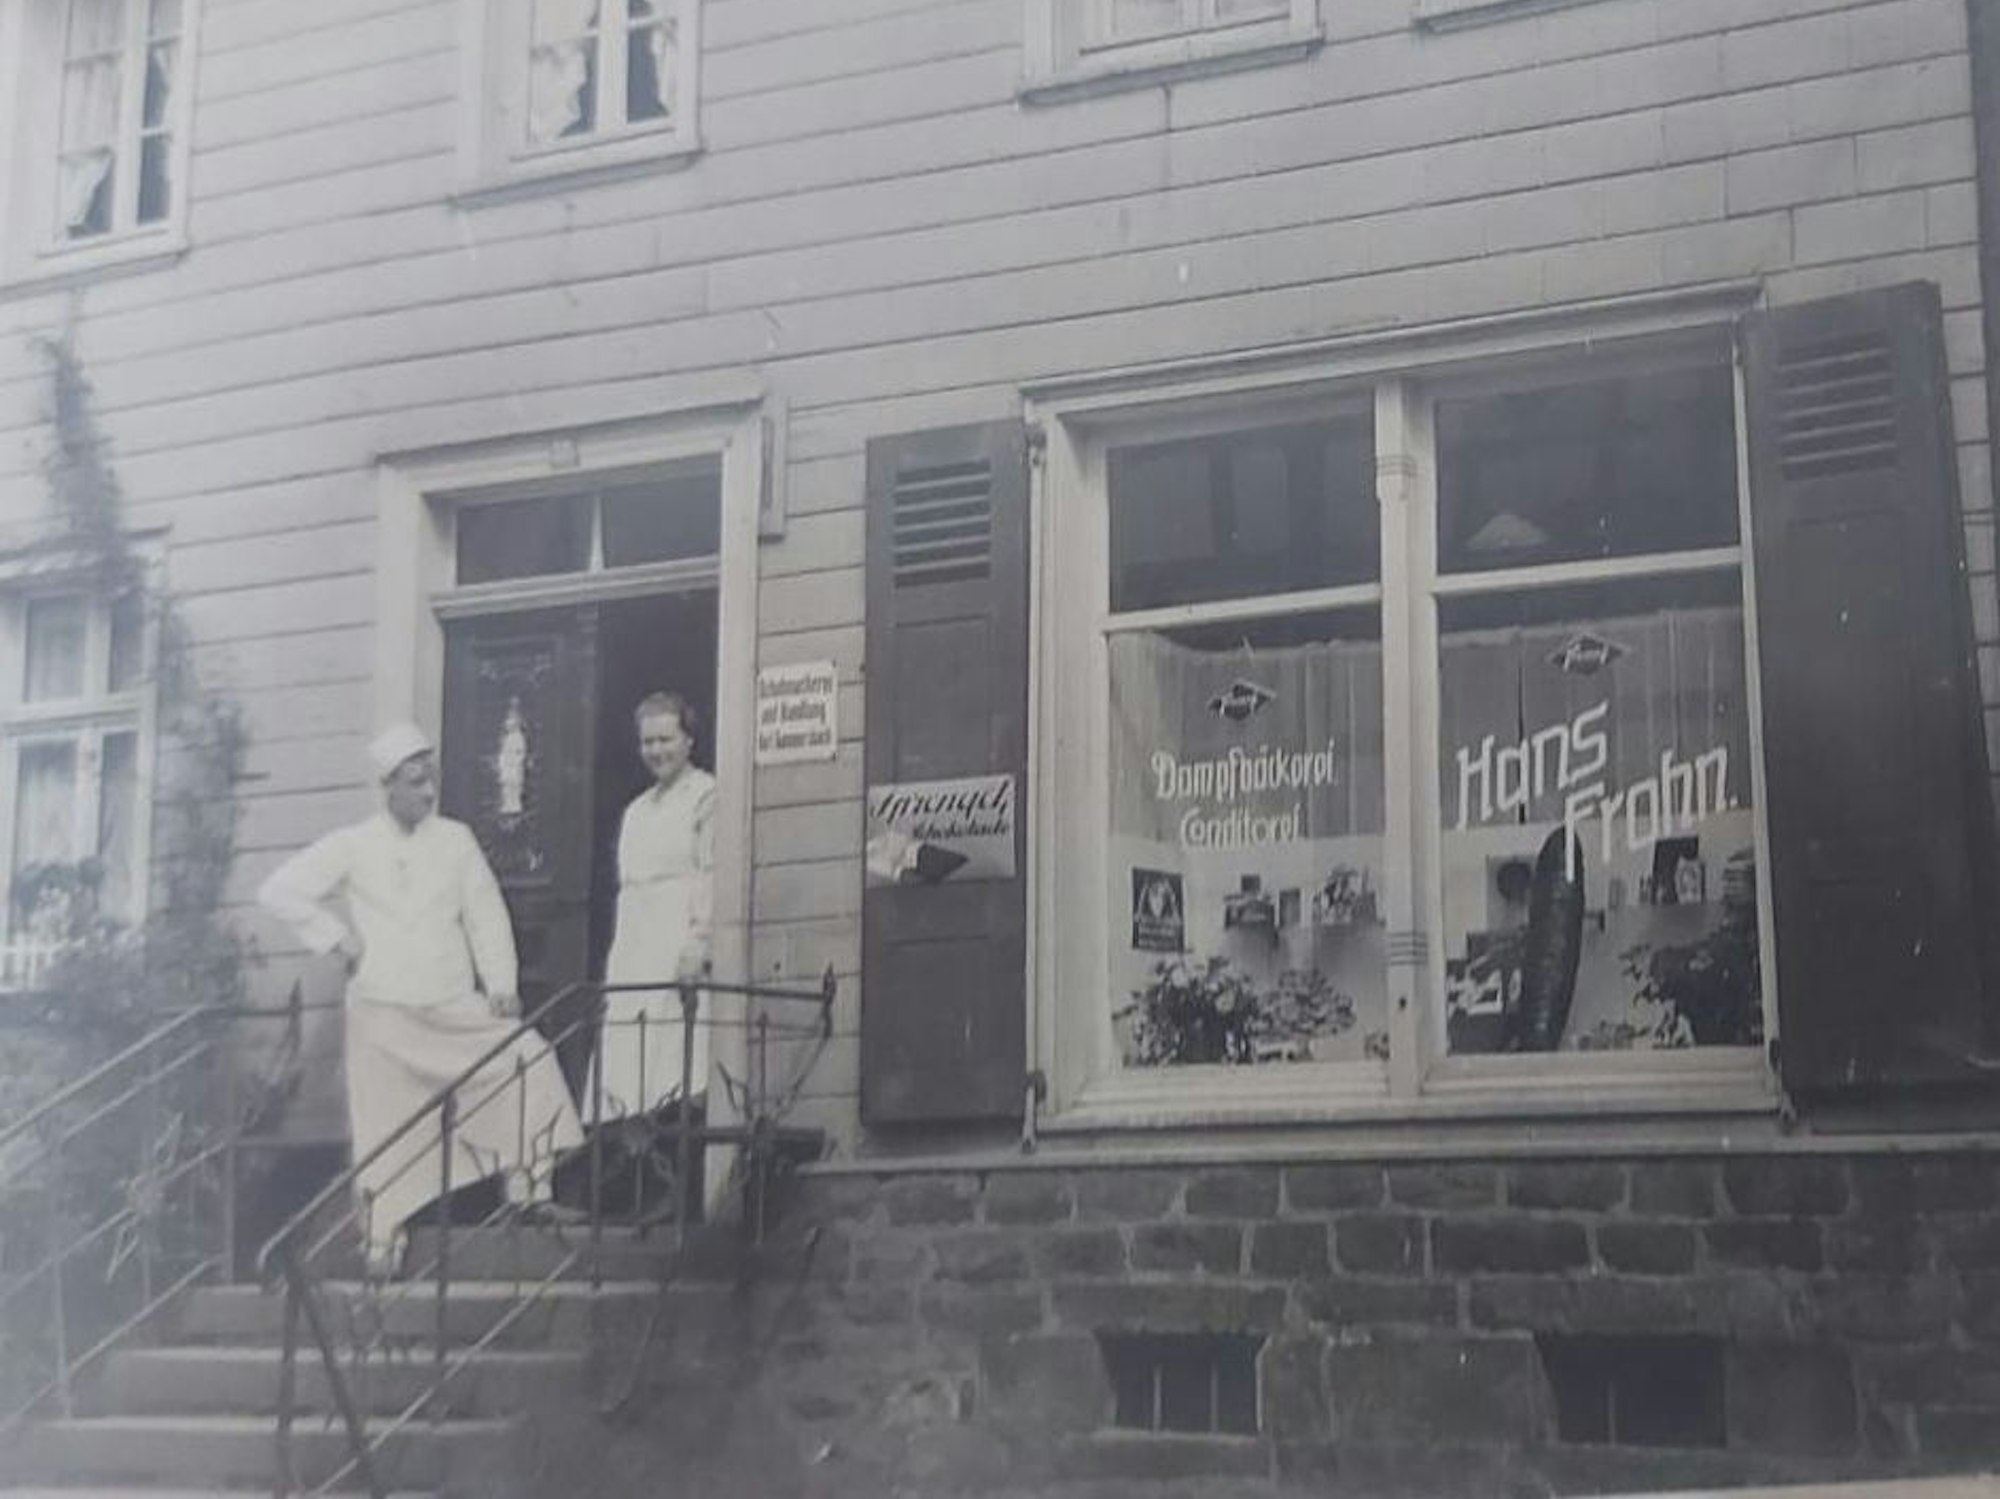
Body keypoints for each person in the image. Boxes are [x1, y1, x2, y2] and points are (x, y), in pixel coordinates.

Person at [259, 723, 584, 1272]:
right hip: (384, 1013)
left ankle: (530, 1188)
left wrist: (500, 984)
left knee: (523, 1058)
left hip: (452, 1004)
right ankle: (384, 1237)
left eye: (430, 780)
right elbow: (279, 890)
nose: (428, 792)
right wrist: (339, 942)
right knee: (386, 1122)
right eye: (414, 782)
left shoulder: (455, 840)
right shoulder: (354, 845)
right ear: (387, 786)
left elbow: (484, 914)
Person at [588, 692, 716, 1124]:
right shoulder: (637, 811)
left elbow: (710, 873)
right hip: (635, 941)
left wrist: (698, 942)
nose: (656, 751)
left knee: (672, 1061)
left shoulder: (707, 795)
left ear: (688, 741)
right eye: (648, 742)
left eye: (666, 739)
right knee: (628, 1055)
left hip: (675, 938)